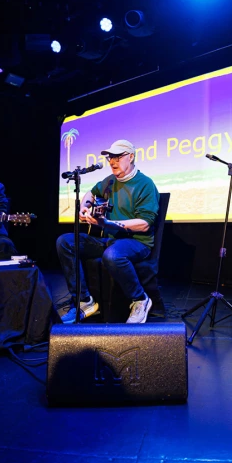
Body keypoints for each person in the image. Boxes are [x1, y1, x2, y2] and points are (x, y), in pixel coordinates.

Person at [56, 139, 159, 324]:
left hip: (137, 242)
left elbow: (144, 224)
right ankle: (84, 301)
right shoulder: (110, 181)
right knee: (65, 242)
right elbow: (91, 193)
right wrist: (85, 207)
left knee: (112, 255)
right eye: (110, 157)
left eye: (118, 157)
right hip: (111, 240)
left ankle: (140, 299)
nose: (112, 161)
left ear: (131, 157)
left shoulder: (145, 184)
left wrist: (107, 223)